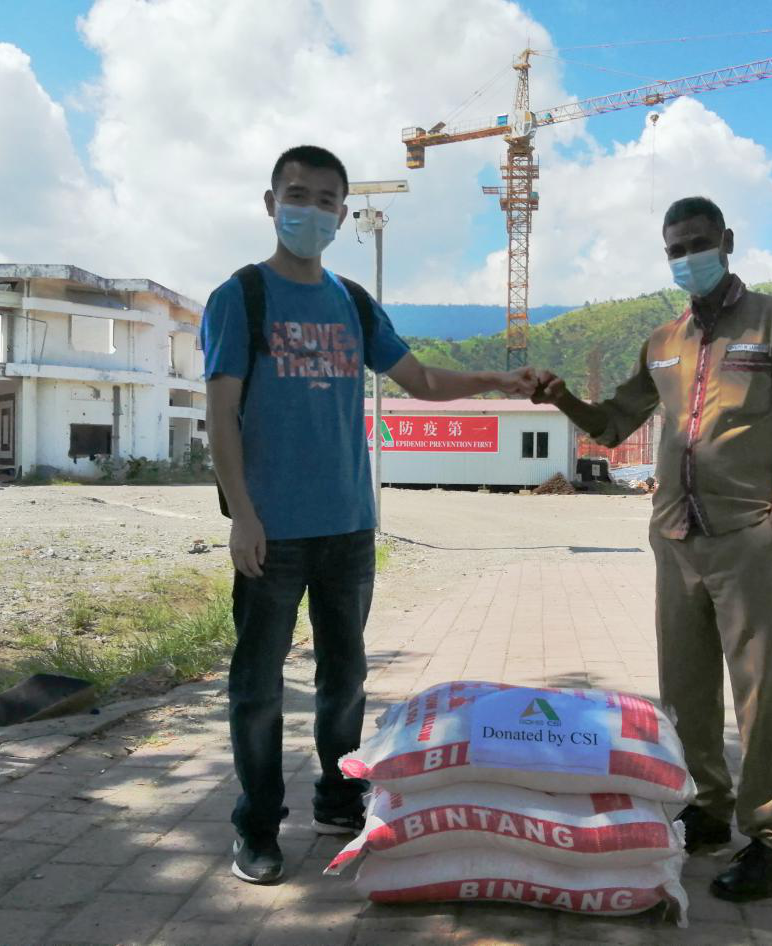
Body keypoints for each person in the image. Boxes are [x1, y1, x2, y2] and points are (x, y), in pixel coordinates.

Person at [203, 144, 537, 884]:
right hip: (271, 532)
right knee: (257, 687)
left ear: (342, 214)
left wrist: (496, 377)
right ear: (271, 204)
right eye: (297, 195)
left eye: (326, 200)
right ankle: (257, 827)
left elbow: (420, 380)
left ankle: (338, 798)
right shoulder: (240, 296)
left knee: (344, 678)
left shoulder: (352, 302)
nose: (311, 211)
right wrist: (242, 515)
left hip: (348, 526)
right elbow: (220, 415)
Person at [533, 196, 772, 901]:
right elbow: (611, 425)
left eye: (697, 243)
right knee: (684, 689)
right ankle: (707, 808)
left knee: (759, 691)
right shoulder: (662, 341)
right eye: (675, 249)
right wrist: (562, 397)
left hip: (744, 533)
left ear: (727, 239)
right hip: (674, 535)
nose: (687, 257)